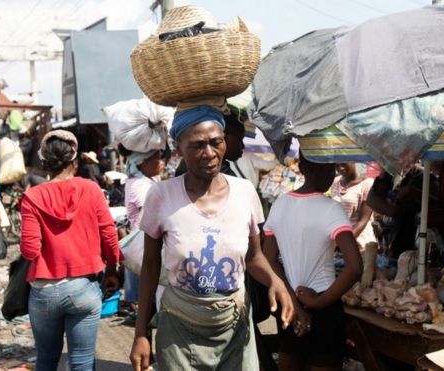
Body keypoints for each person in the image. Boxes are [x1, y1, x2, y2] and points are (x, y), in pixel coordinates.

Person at [129, 105, 294, 371]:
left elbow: (254, 258)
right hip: (179, 329)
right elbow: (150, 266)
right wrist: (141, 333)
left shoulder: (244, 192)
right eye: (197, 146)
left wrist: (276, 281)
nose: (209, 154)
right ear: (179, 149)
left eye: (216, 142)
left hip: (234, 326)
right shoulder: (162, 195)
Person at [20, 130, 121, 371]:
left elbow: (30, 251)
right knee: (82, 362)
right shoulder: (91, 189)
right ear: (74, 161)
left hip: (44, 292)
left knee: (46, 359)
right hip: (84, 289)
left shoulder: (32, 197)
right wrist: (113, 270)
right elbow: (109, 235)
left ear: (44, 162)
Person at [263, 153, 363, 371]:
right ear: (326, 170)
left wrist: (295, 304)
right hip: (324, 305)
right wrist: (317, 303)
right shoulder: (331, 208)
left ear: (302, 168)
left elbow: (268, 261)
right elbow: (355, 267)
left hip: (289, 305)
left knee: (290, 363)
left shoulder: (280, 204)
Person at [122, 147, 166, 318]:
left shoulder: (147, 181)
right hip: (143, 242)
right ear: (143, 162)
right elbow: (152, 209)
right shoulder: (140, 184)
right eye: (157, 159)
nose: (161, 163)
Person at [330, 163, 375, 248]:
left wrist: (343, 243)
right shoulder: (335, 182)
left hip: (360, 243)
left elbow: (363, 221)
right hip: (339, 241)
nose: (340, 168)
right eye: (336, 165)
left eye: (344, 163)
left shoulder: (367, 183)